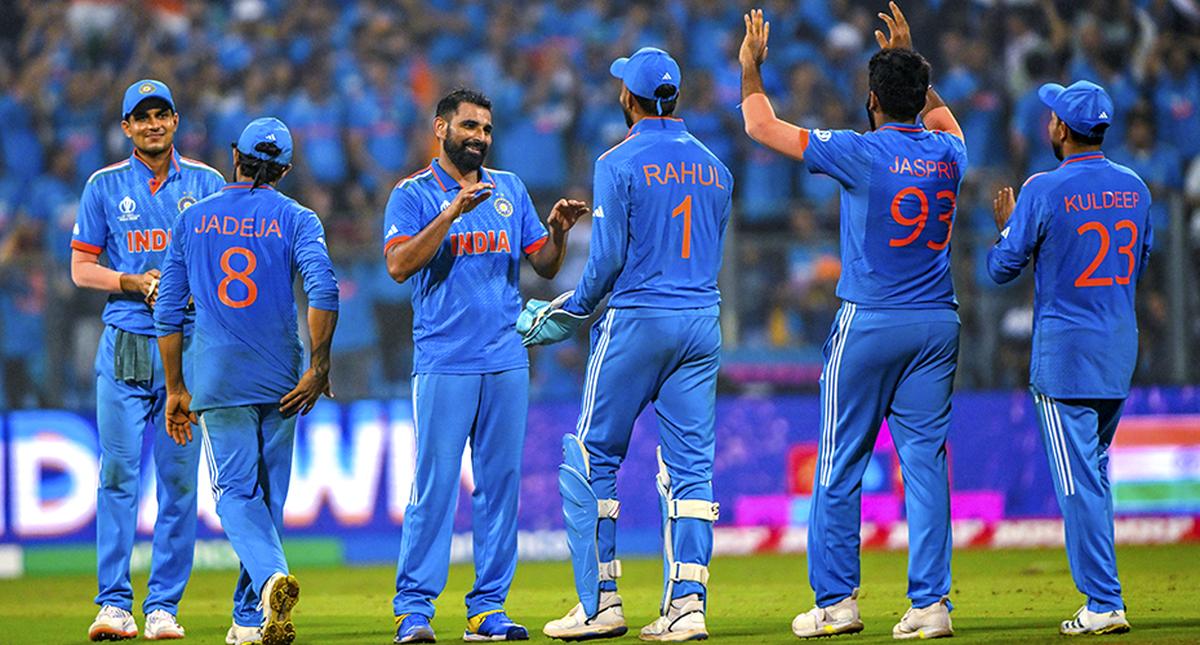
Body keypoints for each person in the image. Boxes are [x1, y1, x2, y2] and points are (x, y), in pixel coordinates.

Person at [738, 4, 966, 639]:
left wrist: (750, 67)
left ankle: (837, 603)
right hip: (937, 325)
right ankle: (931, 607)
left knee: (839, 461)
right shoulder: (951, 152)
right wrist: (916, 66)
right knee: (925, 465)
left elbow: (760, 125)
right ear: (919, 97)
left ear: (870, 100)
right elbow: (943, 116)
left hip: (871, 322)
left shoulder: (859, 153)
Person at [522, 46, 733, 642]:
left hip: (639, 319)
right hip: (701, 321)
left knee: (590, 460)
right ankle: (688, 606)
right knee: (691, 472)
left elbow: (609, 258)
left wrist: (572, 309)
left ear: (628, 98)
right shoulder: (719, 167)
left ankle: (600, 604)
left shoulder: (617, 161)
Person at [383, 88, 587, 644]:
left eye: (486, 129)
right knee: (435, 487)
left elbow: (542, 266)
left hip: (504, 361)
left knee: (500, 488)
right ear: (441, 128)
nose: (479, 136)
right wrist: (450, 213)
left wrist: (560, 232)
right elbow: (398, 265)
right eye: (469, 126)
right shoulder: (413, 195)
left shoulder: (510, 190)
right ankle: (414, 611)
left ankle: (487, 610)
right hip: (444, 362)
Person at [153, 117, 339, 645]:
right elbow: (325, 289)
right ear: (284, 168)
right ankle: (250, 615)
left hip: (220, 375)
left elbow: (168, 310)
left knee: (236, 493)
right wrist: (319, 365)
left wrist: (175, 387)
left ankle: (269, 583)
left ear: (234, 155)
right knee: (268, 497)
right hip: (283, 375)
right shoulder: (297, 218)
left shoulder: (193, 220)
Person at [988, 80, 1151, 636]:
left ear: (1060, 128)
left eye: (1051, 115)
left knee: (1078, 483)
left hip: (1064, 356)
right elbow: (1141, 258)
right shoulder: (1136, 188)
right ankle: (1105, 595)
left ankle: (1104, 601)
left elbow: (1000, 269)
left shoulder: (1044, 188)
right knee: (1096, 476)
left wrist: (1010, 228)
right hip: (1117, 348)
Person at [70, 79, 225, 641]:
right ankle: (113, 604)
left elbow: (225, 258)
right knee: (117, 476)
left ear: (176, 121)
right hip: (126, 344)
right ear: (126, 128)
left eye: (162, 114)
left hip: (186, 349)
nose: (153, 124)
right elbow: (81, 268)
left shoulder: (208, 183)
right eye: (142, 117)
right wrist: (131, 281)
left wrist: (193, 290)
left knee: (180, 484)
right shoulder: (104, 186)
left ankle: (162, 607)